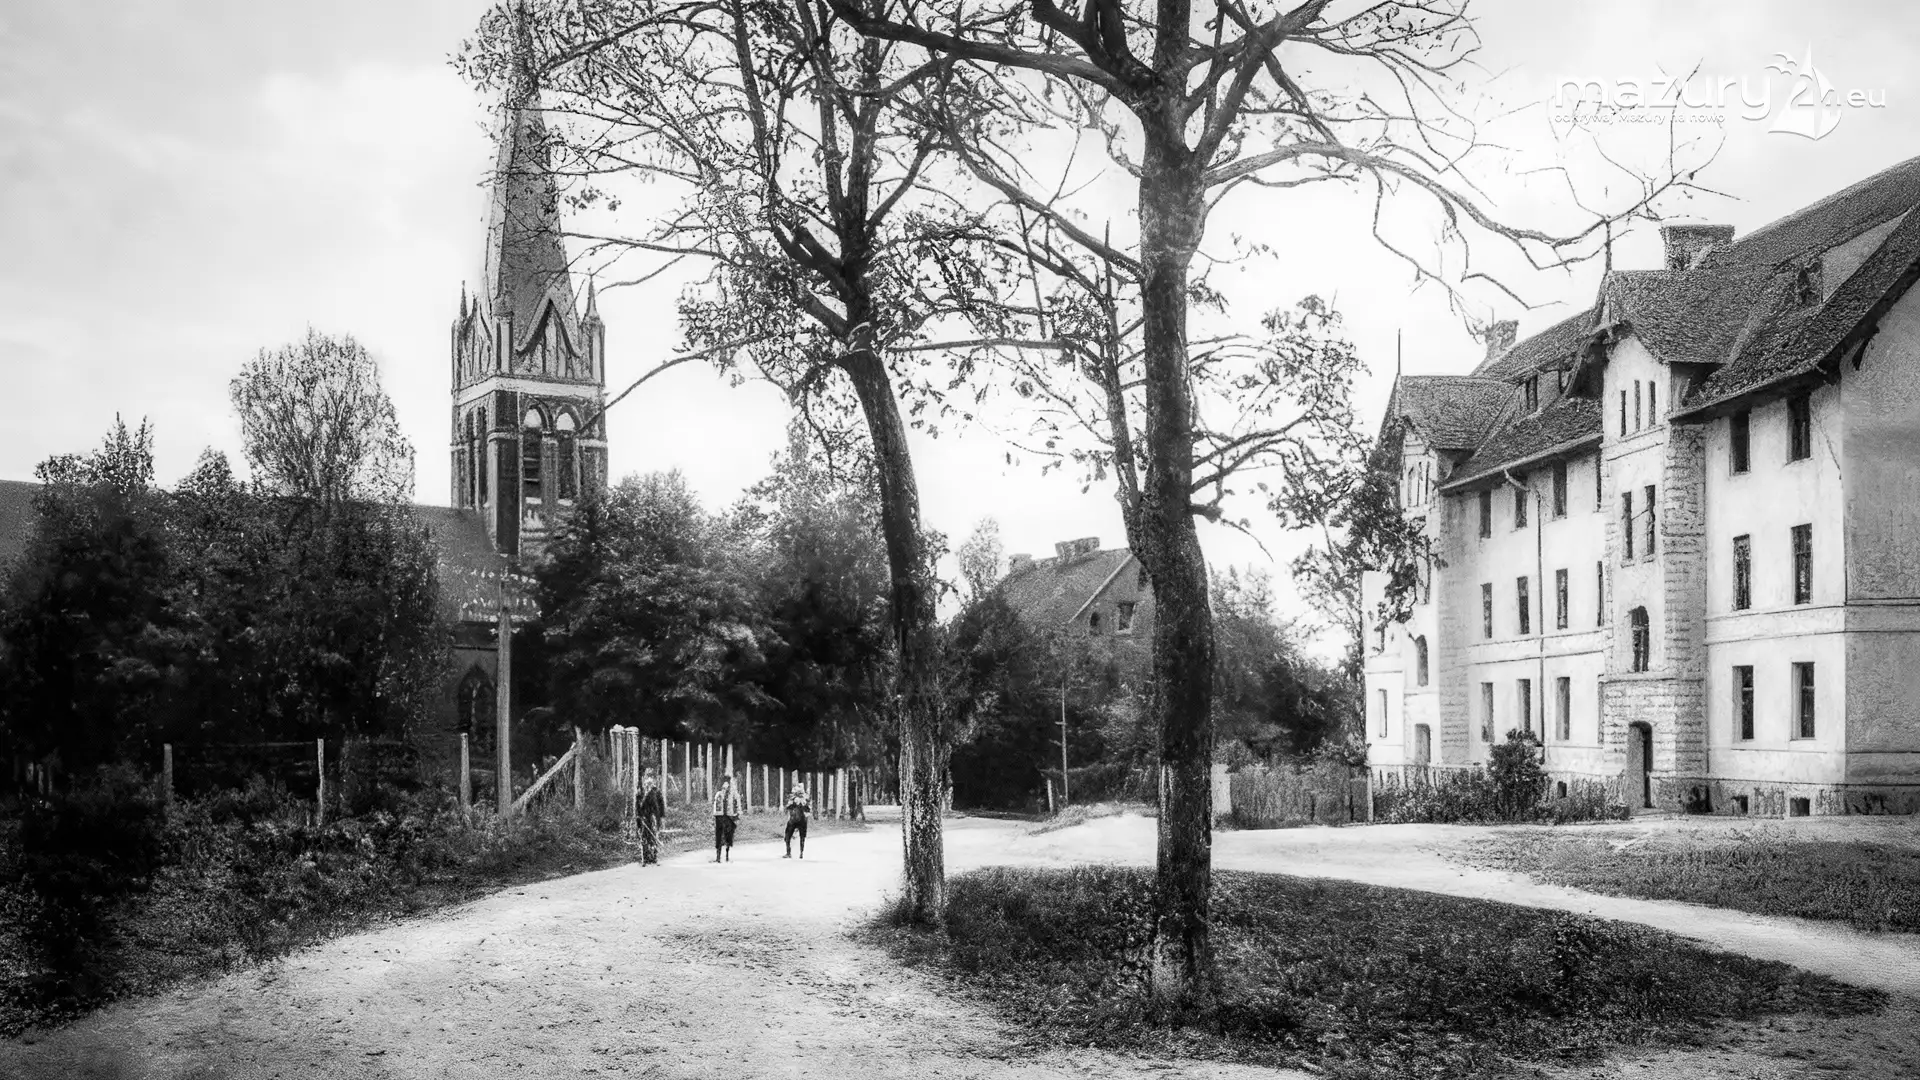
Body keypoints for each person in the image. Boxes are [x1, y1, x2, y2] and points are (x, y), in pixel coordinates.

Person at [711, 774, 743, 862]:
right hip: (720, 817)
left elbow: (738, 804)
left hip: (729, 817)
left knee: (728, 836)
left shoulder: (733, 794)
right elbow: (715, 805)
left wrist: (738, 814)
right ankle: (718, 857)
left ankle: (726, 856)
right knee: (719, 836)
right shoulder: (719, 793)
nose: (726, 785)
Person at [636, 773, 665, 866]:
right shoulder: (640, 793)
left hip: (653, 819)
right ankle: (645, 859)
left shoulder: (656, 793)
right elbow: (638, 806)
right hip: (644, 819)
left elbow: (661, 806)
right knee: (644, 838)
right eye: (647, 782)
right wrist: (639, 816)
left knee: (653, 838)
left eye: (650, 782)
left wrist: (661, 818)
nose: (648, 784)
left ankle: (654, 858)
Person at [784, 782, 810, 859]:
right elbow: (808, 810)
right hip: (802, 821)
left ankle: (789, 853)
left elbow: (788, 807)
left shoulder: (793, 799)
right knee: (802, 837)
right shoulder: (805, 799)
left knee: (787, 836)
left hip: (793, 821)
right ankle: (801, 853)